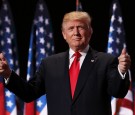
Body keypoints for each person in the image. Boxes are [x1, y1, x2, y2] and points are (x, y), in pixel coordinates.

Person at [0, 11, 131, 115]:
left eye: (80, 27)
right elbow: (29, 93)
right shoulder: (49, 64)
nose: (76, 33)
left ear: (90, 32)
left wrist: (122, 71)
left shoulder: (106, 61)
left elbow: (117, 92)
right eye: (71, 28)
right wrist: (8, 74)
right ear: (64, 34)